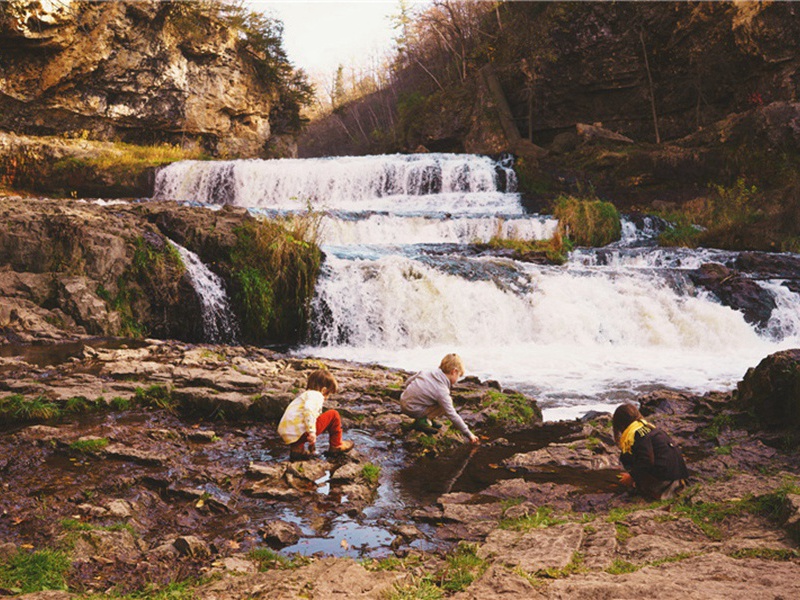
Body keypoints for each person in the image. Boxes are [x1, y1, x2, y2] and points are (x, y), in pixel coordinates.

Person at [613, 403, 688, 500]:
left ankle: (656, 492)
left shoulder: (636, 435)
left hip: (666, 482)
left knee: (627, 458)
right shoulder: (650, 428)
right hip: (678, 477)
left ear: (621, 425)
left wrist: (632, 477)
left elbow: (646, 461)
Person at [400, 353, 480, 445]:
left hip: (403, 401)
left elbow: (407, 382)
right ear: (454, 372)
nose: (458, 379)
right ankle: (423, 421)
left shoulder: (426, 371)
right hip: (412, 410)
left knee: (435, 399)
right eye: (459, 375)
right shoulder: (441, 390)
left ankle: (429, 419)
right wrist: (469, 434)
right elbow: (451, 414)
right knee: (445, 405)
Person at [278, 369, 354, 460]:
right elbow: (309, 411)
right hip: (300, 433)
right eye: (328, 394)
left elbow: (306, 417)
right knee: (334, 414)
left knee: (301, 423)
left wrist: (312, 442)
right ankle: (336, 445)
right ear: (323, 390)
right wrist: (312, 432)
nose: (326, 398)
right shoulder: (316, 395)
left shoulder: (304, 396)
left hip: (288, 433)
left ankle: (297, 450)